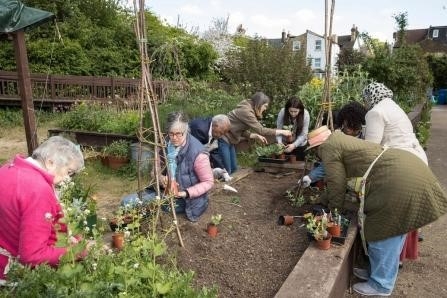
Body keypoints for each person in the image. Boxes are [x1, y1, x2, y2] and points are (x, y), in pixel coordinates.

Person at [306, 126, 447, 296]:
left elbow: (336, 183)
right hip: (405, 169)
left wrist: (333, 212)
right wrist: (324, 200)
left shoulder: (328, 147)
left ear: (316, 147)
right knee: (395, 232)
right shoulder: (339, 140)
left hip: (398, 181)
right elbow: (338, 180)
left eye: (313, 150)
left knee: (383, 233)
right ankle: (377, 273)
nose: (315, 154)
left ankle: (381, 284)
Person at [0, 136, 85, 284]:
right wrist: (77, 252)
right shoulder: (37, 189)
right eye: (69, 172)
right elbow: (32, 255)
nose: (68, 179)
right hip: (16, 275)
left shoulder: (6, 169)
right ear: (50, 162)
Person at [362, 82, 427, 262]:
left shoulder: (375, 112)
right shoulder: (393, 106)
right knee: (406, 214)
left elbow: (371, 150)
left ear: (369, 97)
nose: (365, 103)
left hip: (401, 166)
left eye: (365, 99)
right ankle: (398, 259)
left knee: (393, 216)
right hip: (418, 159)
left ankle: (390, 265)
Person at [123, 111, 214, 222]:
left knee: (134, 205)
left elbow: (208, 181)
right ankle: (127, 225)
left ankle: (133, 223)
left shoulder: (197, 153)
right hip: (163, 191)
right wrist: (161, 178)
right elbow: (154, 171)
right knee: (127, 201)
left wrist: (185, 193)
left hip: (186, 200)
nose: (174, 138)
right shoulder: (163, 145)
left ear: (186, 132)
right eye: (171, 134)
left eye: (178, 134)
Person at [219, 92, 292, 174]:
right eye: (265, 106)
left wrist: (254, 135)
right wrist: (282, 131)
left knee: (234, 169)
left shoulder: (248, 108)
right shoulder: (246, 111)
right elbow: (261, 130)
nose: (265, 109)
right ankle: (216, 184)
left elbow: (237, 128)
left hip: (231, 140)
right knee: (227, 170)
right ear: (259, 103)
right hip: (224, 138)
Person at [298, 101, 367, 188]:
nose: (347, 129)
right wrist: (310, 177)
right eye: (345, 125)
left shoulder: (367, 138)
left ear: (360, 125)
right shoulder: (339, 138)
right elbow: (330, 161)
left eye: (352, 126)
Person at [189, 114, 232, 181]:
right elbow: (195, 153)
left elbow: (214, 152)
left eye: (223, 134)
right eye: (221, 133)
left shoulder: (214, 130)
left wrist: (223, 170)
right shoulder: (199, 130)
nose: (221, 136)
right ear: (215, 126)